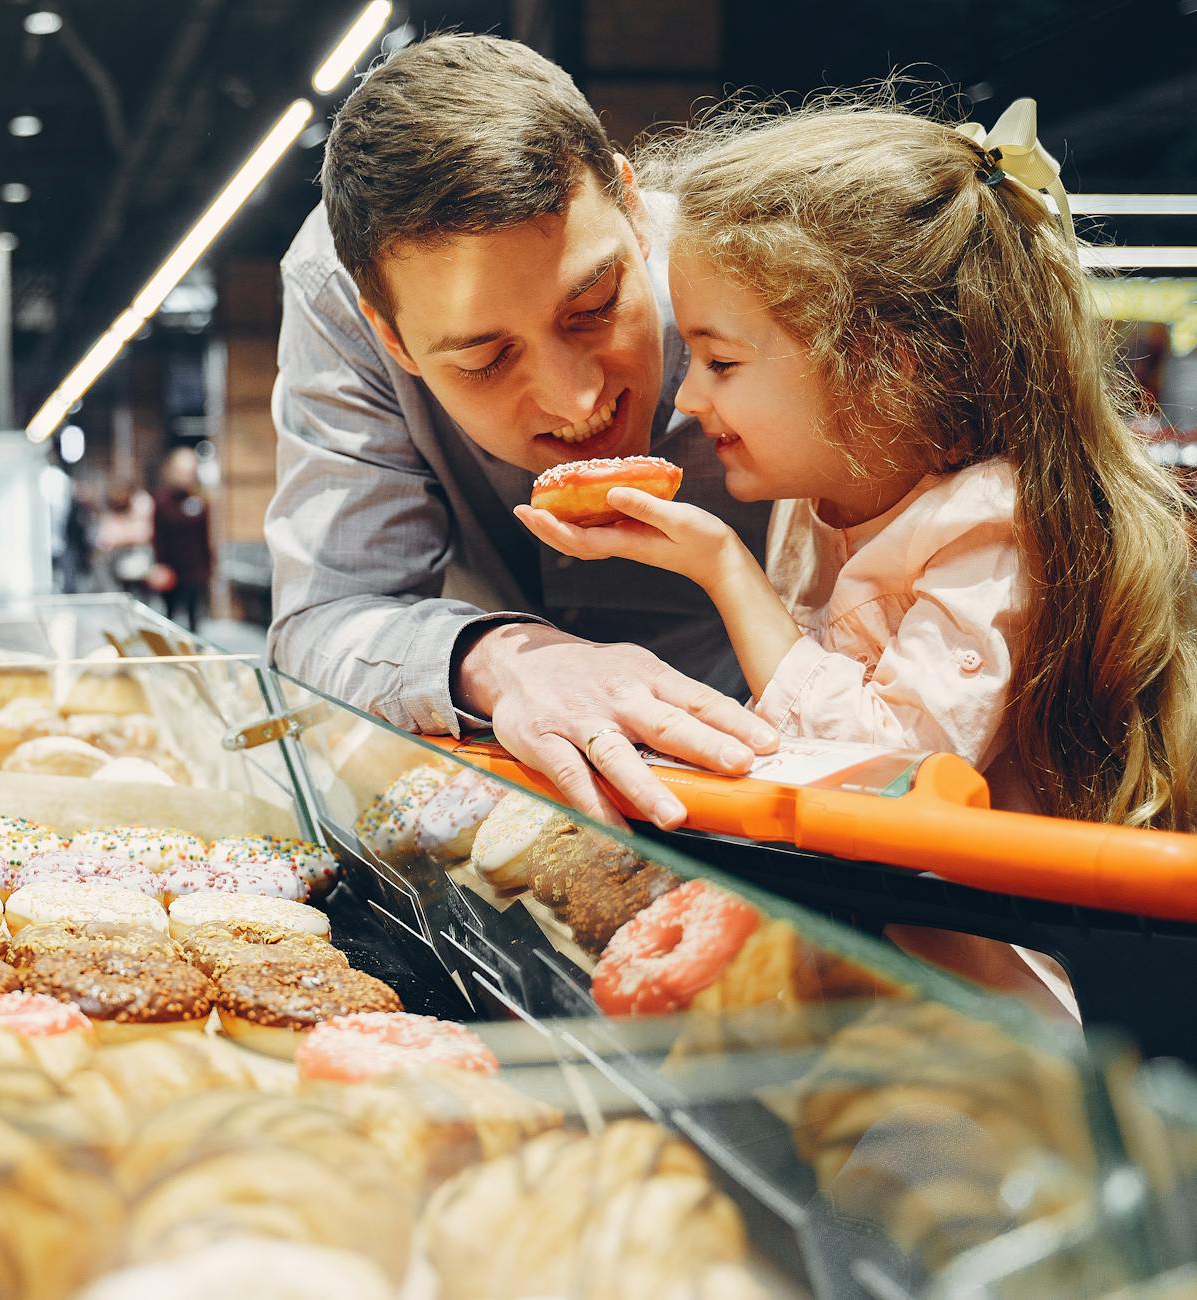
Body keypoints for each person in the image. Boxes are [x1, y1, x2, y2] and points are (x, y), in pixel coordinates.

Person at [517, 100, 1197, 832]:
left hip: (966, 932)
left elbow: (892, 774)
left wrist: (723, 568)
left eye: (721, 362)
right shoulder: (812, 501)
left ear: (882, 368)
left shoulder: (989, 524)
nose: (687, 395)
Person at [265, 34, 780, 831]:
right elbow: (326, 615)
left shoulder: (771, 264)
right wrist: (505, 661)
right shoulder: (340, 290)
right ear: (390, 337)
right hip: (515, 794)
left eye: (595, 307)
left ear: (635, 213)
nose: (576, 401)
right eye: (484, 357)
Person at [151, 446, 214, 632]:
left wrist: (209, 566)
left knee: (195, 619)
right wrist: (159, 565)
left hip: (195, 570)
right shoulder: (162, 502)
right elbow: (158, 537)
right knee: (170, 618)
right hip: (170, 569)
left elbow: (205, 536)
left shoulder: (199, 500)